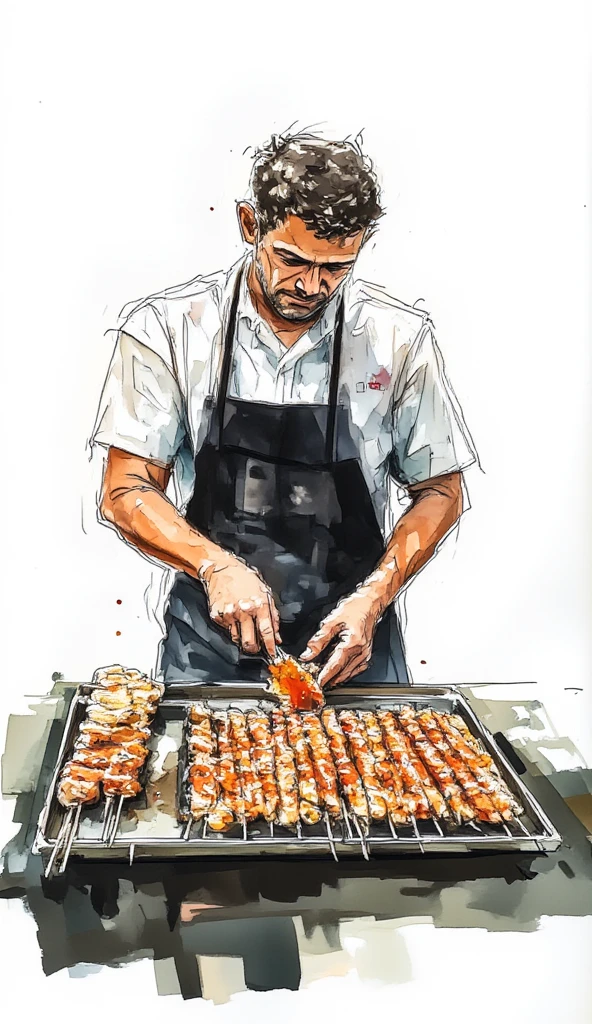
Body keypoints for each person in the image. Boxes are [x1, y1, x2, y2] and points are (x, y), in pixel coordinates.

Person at [92, 132, 476, 687]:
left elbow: (440, 490)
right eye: (291, 258)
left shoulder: (398, 339)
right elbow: (126, 489)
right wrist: (215, 564)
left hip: (353, 650)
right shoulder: (168, 331)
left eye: (336, 267)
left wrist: (376, 593)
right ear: (251, 226)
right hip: (208, 652)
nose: (312, 285)